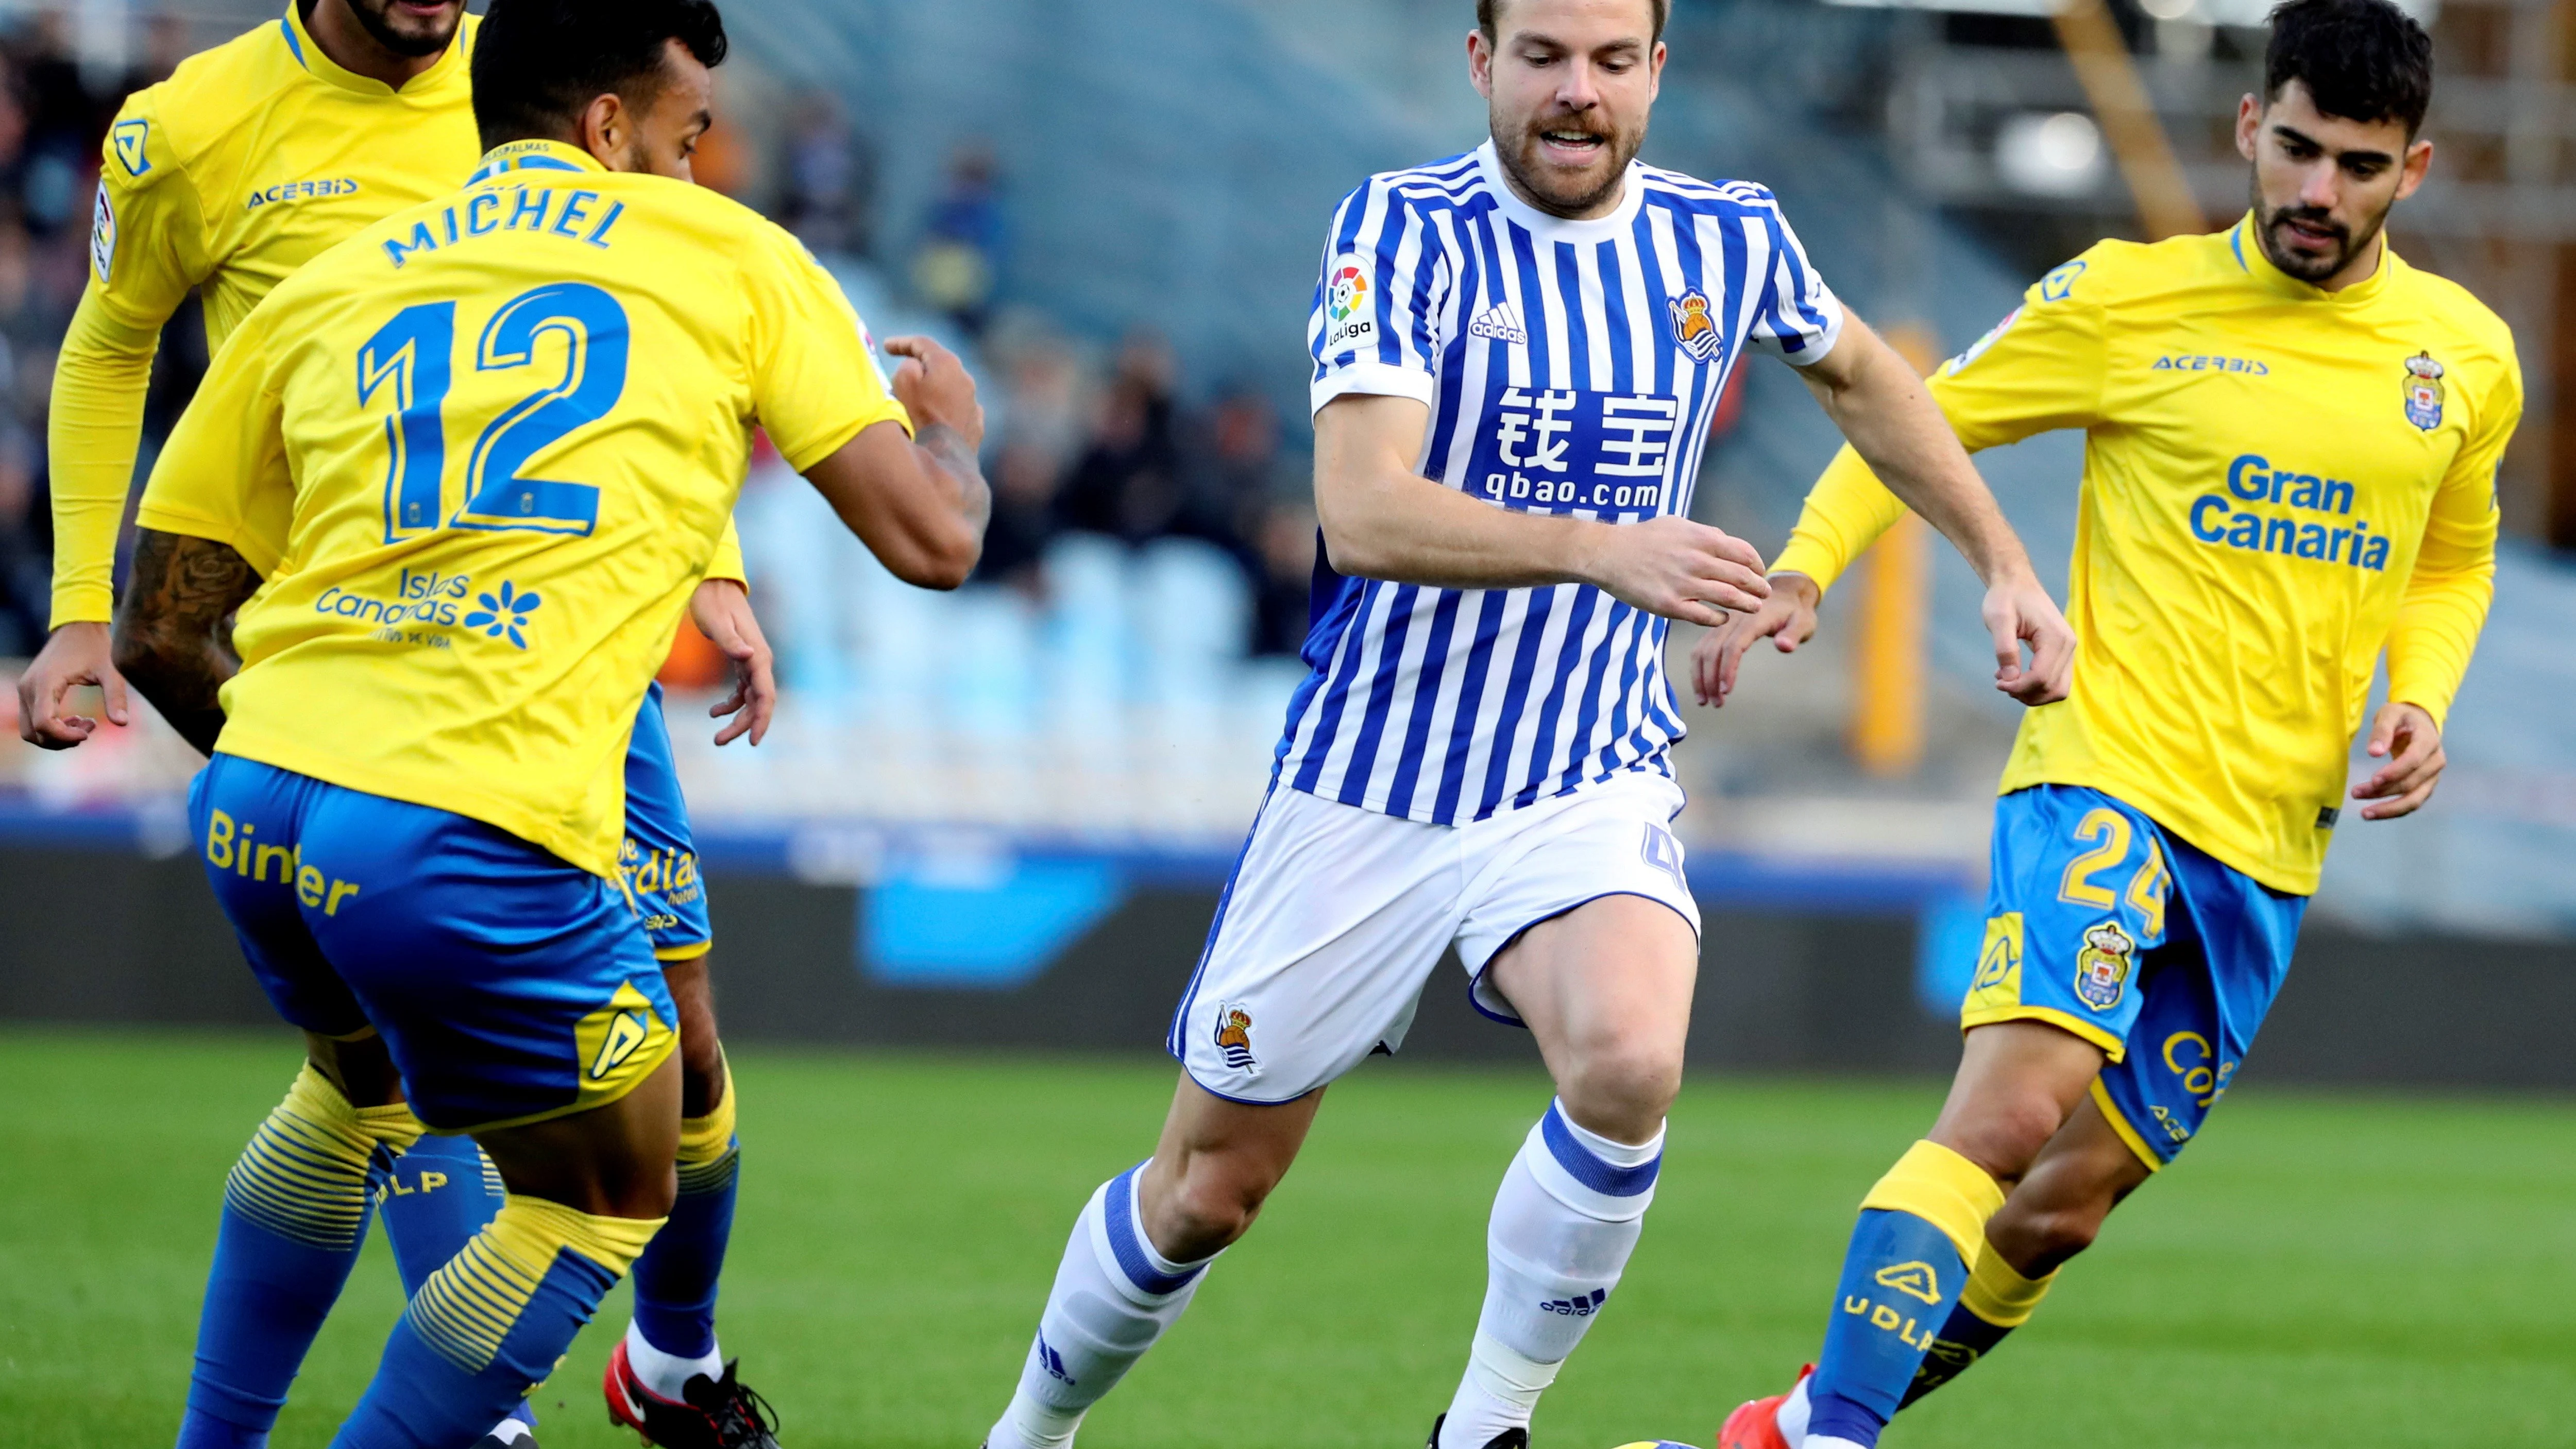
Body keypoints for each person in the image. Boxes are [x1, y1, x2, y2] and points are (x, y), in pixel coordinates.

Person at [976, 5, 2071, 1449]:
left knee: (1629, 1059)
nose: (1578, 92)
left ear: (1656, 76)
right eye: (1545, 55)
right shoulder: (1403, 232)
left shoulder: (1725, 237)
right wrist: (1602, 547)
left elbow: (1868, 378)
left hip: (1582, 764)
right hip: (1375, 777)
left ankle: (1484, 1426)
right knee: (1205, 1191)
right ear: (1483, 61)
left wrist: (2001, 558)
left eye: (1613, 62)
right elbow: (1361, 510)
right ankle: (1031, 1430)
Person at [107, 2, 987, 1446]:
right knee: (604, 1194)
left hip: (258, 799)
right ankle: (649, 1369)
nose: (699, 170)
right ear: (607, 126)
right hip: (465, 824)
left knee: (354, 1092)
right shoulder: (732, 257)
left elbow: (160, 627)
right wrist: (954, 429)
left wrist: (323, 779)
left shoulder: (331, 281)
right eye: (688, 135)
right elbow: (936, 543)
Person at [1705, 3, 2512, 1445]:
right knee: (2010, 1117)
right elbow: (1920, 419)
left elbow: (2452, 557)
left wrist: (2424, 698)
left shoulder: (2466, 357)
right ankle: (1836, 1442)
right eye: (2302, 150)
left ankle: (1787, 1429)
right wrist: (1807, 565)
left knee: (2061, 1207)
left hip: (2269, 847)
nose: (2320, 194)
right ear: (2252, 127)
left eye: (2362, 167)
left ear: (2418, 169)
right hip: (2107, 777)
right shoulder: (2127, 303)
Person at [11, 1, 788, 1442]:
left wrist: (716, 567)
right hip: (353, 644)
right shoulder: (188, 127)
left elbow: (645, 332)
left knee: (678, 1043)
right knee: (383, 1064)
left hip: (564, 633)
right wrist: (76, 603)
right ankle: (474, 1409)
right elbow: (111, 342)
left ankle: (671, 1360)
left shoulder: (534, 71)